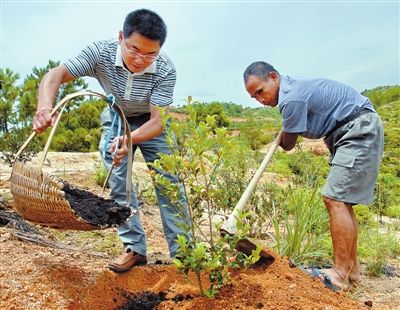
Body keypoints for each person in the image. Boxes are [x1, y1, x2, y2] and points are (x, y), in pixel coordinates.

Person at [33, 9, 191, 273]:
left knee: (170, 183)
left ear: (160, 50)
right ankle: (134, 249)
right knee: (119, 184)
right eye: (134, 49)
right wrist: (44, 107)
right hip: (117, 116)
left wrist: (129, 139)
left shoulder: (165, 69)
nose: (141, 59)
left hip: (152, 124)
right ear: (121, 37)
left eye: (150, 53)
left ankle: (185, 254)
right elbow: (55, 75)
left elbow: (158, 121)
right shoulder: (100, 52)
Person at [243, 61, 384, 291]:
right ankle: (351, 270)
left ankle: (339, 275)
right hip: (354, 129)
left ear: (273, 77)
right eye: (254, 97)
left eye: (260, 91)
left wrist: (286, 130)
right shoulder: (292, 94)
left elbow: (288, 145)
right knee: (344, 203)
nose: (261, 99)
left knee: (334, 199)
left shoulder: (291, 99)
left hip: (357, 130)